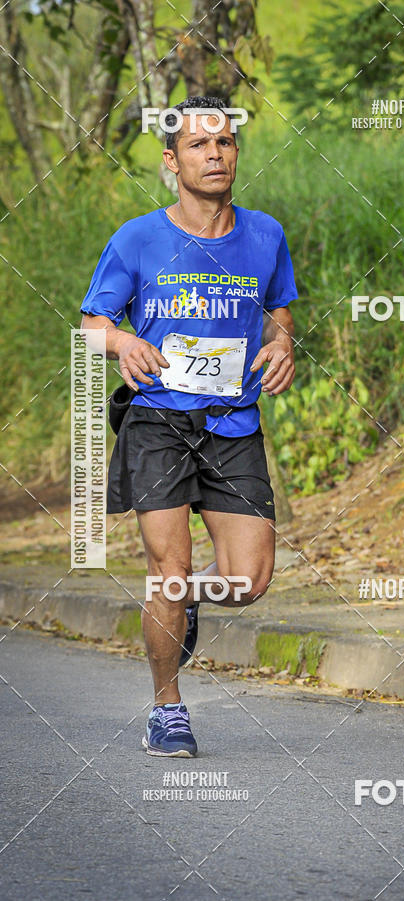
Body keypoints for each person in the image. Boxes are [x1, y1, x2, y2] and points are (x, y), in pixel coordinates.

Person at [80, 96, 297, 757]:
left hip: (232, 421)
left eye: (226, 142)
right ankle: (167, 707)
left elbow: (278, 312)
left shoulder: (264, 235)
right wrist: (122, 346)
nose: (216, 154)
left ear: (236, 154)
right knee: (167, 565)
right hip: (156, 421)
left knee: (249, 579)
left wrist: (282, 345)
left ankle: (185, 601)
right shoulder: (138, 238)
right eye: (201, 145)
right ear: (172, 162)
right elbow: (90, 327)